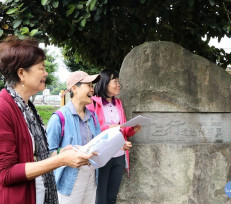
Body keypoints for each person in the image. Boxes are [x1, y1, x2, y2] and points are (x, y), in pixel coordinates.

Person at [0, 36, 93, 204]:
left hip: (41, 194)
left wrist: (59, 154)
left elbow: (34, 155)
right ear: (21, 73)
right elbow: (6, 173)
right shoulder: (3, 108)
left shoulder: (28, 107)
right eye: (41, 68)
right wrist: (60, 161)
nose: (46, 73)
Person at [86, 69, 142, 204]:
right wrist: (108, 129)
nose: (118, 85)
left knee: (112, 197)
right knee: (100, 197)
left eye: (118, 82)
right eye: (115, 81)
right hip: (102, 155)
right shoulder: (92, 103)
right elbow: (90, 130)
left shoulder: (118, 103)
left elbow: (122, 130)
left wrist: (132, 129)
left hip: (119, 154)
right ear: (105, 83)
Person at [46, 71, 101, 204]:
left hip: (92, 174)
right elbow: (48, 153)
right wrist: (62, 153)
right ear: (74, 89)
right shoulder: (59, 118)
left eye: (92, 85)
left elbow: (99, 142)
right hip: (69, 178)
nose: (92, 89)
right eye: (88, 85)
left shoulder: (93, 116)